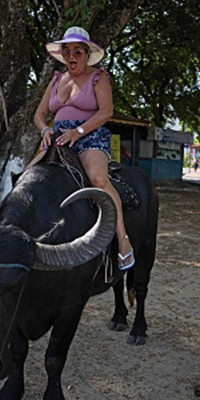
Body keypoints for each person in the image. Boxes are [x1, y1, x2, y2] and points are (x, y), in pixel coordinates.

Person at [33, 26, 134, 270]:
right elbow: (40, 114)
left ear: (87, 54)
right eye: (67, 51)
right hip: (57, 138)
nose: (71, 56)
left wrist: (78, 132)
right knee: (26, 177)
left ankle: (123, 240)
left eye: (77, 51)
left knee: (99, 179)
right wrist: (45, 130)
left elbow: (106, 112)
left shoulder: (98, 78)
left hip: (88, 135)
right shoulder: (57, 79)